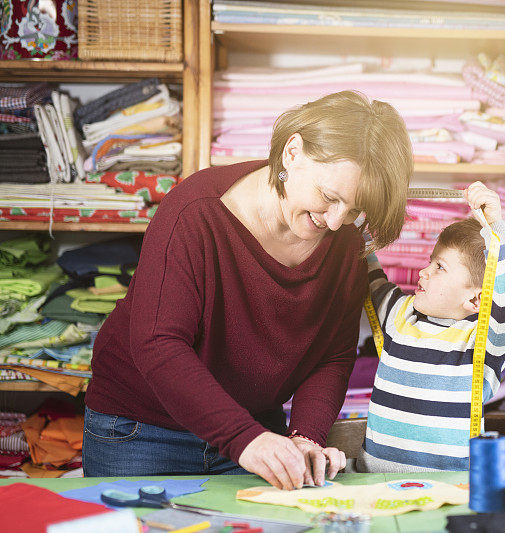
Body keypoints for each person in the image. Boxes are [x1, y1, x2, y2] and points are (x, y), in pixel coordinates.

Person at [83, 91, 413, 489]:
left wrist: (305, 436)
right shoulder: (195, 214)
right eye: (330, 198)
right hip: (143, 430)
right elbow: (157, 342)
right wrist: (246, 441)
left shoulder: (345, 242)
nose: (337, 220)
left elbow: (333, 354)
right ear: (293, 152)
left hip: (257, 431)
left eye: (356, 210)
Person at [357, 181, 505, 472]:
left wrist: (496, 229)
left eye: (440, 267)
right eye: (430, 262)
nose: (423, 272)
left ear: (477, 298)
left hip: (451, 490)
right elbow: (372, 277)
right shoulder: (401, 314)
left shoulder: (484, 343)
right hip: (374, 485)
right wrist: (359, 227)